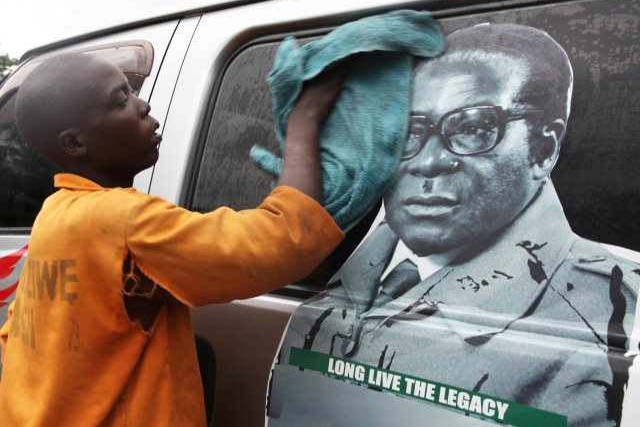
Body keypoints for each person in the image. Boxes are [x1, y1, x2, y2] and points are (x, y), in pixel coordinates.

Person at [270, 23, 639, 427]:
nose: (428, 162)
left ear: (543, 149)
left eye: (474, 128)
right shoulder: (332, 252)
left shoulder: (607, 313)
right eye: (407, 132)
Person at [0, 53, 346, 426]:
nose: (143, 104)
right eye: (121, 100)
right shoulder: (124, 221)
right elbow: (279, 242)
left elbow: (17, 338)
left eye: (133, 93)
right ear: (74, 143)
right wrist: (304, 123)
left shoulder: (55, 214)